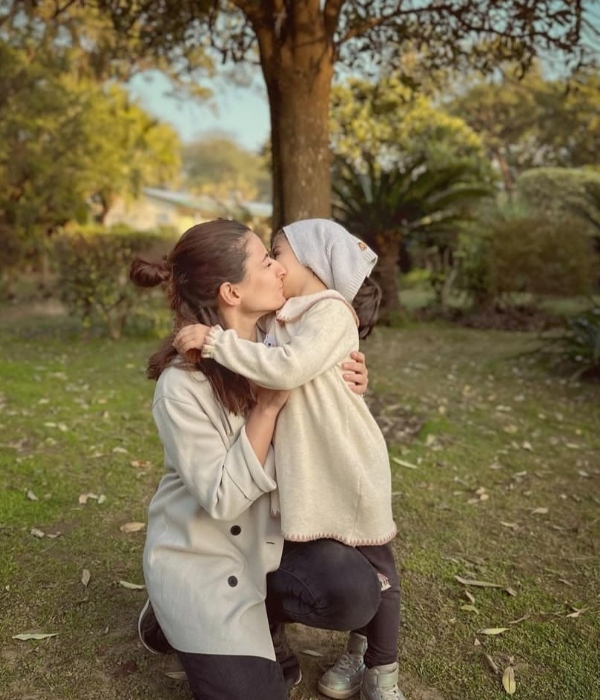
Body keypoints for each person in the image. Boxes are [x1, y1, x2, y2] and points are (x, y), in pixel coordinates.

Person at [130, 219, 384, 700]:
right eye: (266, 260)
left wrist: (349, 378)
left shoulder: (282, 345)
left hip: (271, 541)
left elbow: (325, 398)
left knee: (355, 590)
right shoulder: (182, 385)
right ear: (231, 291)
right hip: (205, 556)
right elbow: (223, 498)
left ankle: (265, 616)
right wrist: (266, 409)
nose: (280, 268)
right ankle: (169, 617)